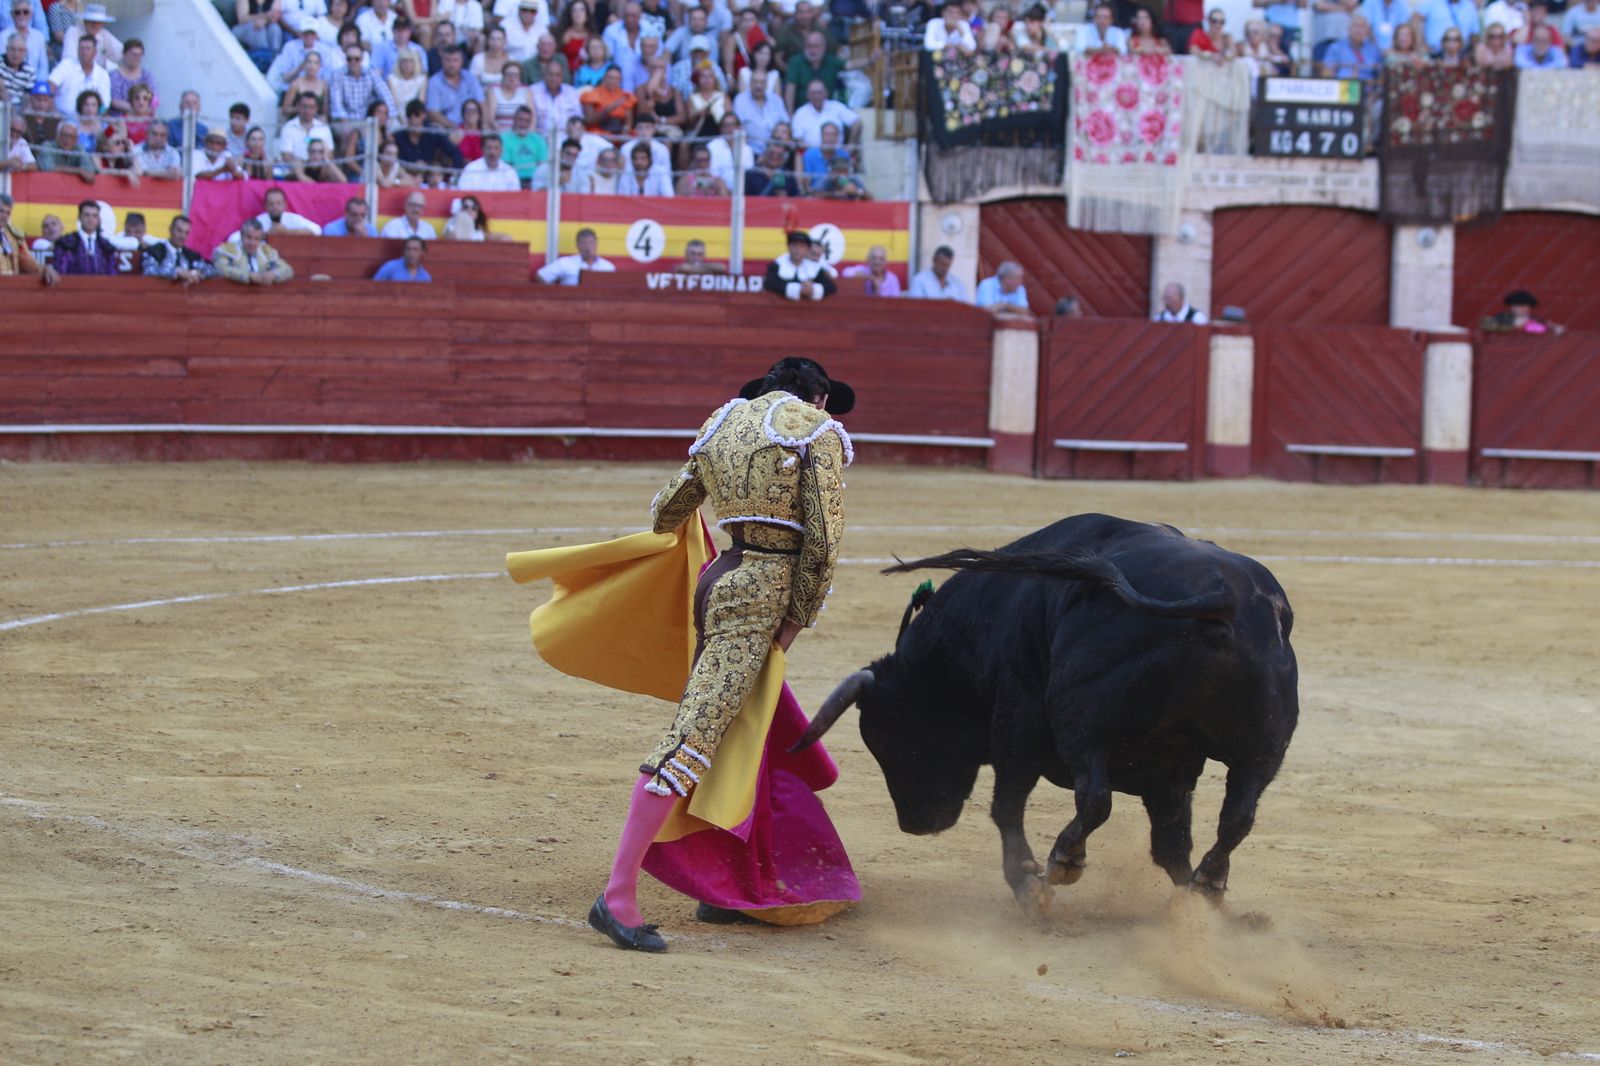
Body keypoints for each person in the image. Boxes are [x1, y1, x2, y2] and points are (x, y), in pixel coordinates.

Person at [577, 355, 853, 952]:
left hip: (718, 578)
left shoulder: (723, 424)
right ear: (820, 397)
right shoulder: (814, 429)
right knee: (696, 736)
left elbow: (666, 512)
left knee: (742, 728)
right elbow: (824, 544)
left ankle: (726, 883)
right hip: (760, 598)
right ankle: (616, 895)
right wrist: (798, 619)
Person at [0, 191, 58, 283]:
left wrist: (44, 270)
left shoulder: (15, 237)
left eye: (7, 213)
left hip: (10, 288)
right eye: (1, 211)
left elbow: (28, 264)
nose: (4, 216)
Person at [140, 213, 213, 286]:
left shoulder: (191, 255)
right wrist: (176, 272)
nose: (183, 236)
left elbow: (211, 270)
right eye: (179, 231)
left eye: (186, 233)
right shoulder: (155, 251)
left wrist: (194, 273)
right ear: (171, 229)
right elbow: (148, 272)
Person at [214, 219, 294, 285]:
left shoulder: (266, 252)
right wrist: (247, 276)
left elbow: (287, 269)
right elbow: (221, 268)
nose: (252, 243)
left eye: (256, 239)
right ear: (241, 235)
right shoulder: (228, 250)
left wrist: (274, 274)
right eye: (249, 237)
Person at [51, 198, 119, 275]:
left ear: (99, 220)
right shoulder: (65, 243)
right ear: (79, 217)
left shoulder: (106, 246)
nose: (90, 219)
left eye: (94, 216)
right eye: (87, 215)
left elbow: (112, 274)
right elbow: (60, 271)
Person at [763, 229, 835, 301]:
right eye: (795, 245)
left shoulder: (814, 268)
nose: (798, 250)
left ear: (807, 249)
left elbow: (831, 287)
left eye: (802, 246)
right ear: (788, 247)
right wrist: (798, 289)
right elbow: (769, 283)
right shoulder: (777, 265)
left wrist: (813, 289)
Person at [790, 78, 855, 148]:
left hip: (837, 155)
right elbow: (798, 138)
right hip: (811, 155)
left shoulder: (837, 107)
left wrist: (850, 147)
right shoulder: (800, 113)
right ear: (807, 95)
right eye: (813, 93)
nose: (816, 96)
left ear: (826, 93)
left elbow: (856, 123)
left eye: (819, 92)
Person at [536, 225, 615, 283]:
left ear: (596, 244)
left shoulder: (607, 267)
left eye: (591, 243)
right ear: (577, 245)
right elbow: (541, 276)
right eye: (583, 243)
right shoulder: (565, 263)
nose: (588, 247)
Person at [1319, 14, 1383, 76]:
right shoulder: (1336, 47)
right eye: (1356, 26)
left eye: (1363, 27)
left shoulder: (1374, 50)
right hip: (1344, 84)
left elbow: (1381, 72)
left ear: (1367, 31)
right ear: (1349, 29)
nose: (1359, 30)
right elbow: (1327, 71)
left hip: (1367, 85)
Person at [1483, 289, 1564, 334]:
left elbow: (1546, 329)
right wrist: (1514, 328)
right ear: (1511, 307)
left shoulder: (1536, 320)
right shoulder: (1502, 317)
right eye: (1517, 306)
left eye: (1524, 306)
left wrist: (1553, 328)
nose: (1520, 309)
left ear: (1529, 308)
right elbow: (1486, 325)